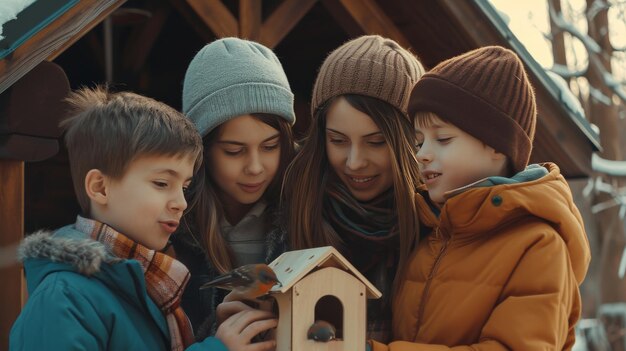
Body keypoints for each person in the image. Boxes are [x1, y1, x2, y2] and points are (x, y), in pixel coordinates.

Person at [9, 87, 277, 351]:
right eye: (161, 183)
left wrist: (219, 335)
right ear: (100, 188)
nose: (181, 203)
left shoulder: (146, 287)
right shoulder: (63, 298)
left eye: (184, 187)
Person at [370, 46, 591, 350]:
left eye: (443, 139)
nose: (422, 154)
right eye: (419, 141)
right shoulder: (429, 234)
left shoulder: (539, 246)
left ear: (497, 146)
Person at [282, 35, 425, 342]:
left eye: (376, 142)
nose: (355, 162)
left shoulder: (438, 224)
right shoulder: (288, 208)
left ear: (410, 142)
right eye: (338, 140)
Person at [172, 37, 296, 339]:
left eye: (269, 146)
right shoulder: (171, 225)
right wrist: (215, 335)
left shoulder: (305, 210)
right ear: (201, 150)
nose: (255, 167)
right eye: (233, 150)